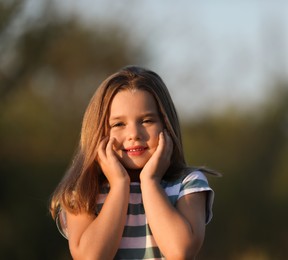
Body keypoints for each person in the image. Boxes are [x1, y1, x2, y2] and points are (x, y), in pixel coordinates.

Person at [49, 66, 219, 260]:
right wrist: (120, 185)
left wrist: (150, 181)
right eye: (119, 124)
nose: (134, 135)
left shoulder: (188, 184)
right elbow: (91, 257)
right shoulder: (83, 191)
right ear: (98, 133)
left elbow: (179, 252)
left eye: (146, 120)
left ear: (166, 125)